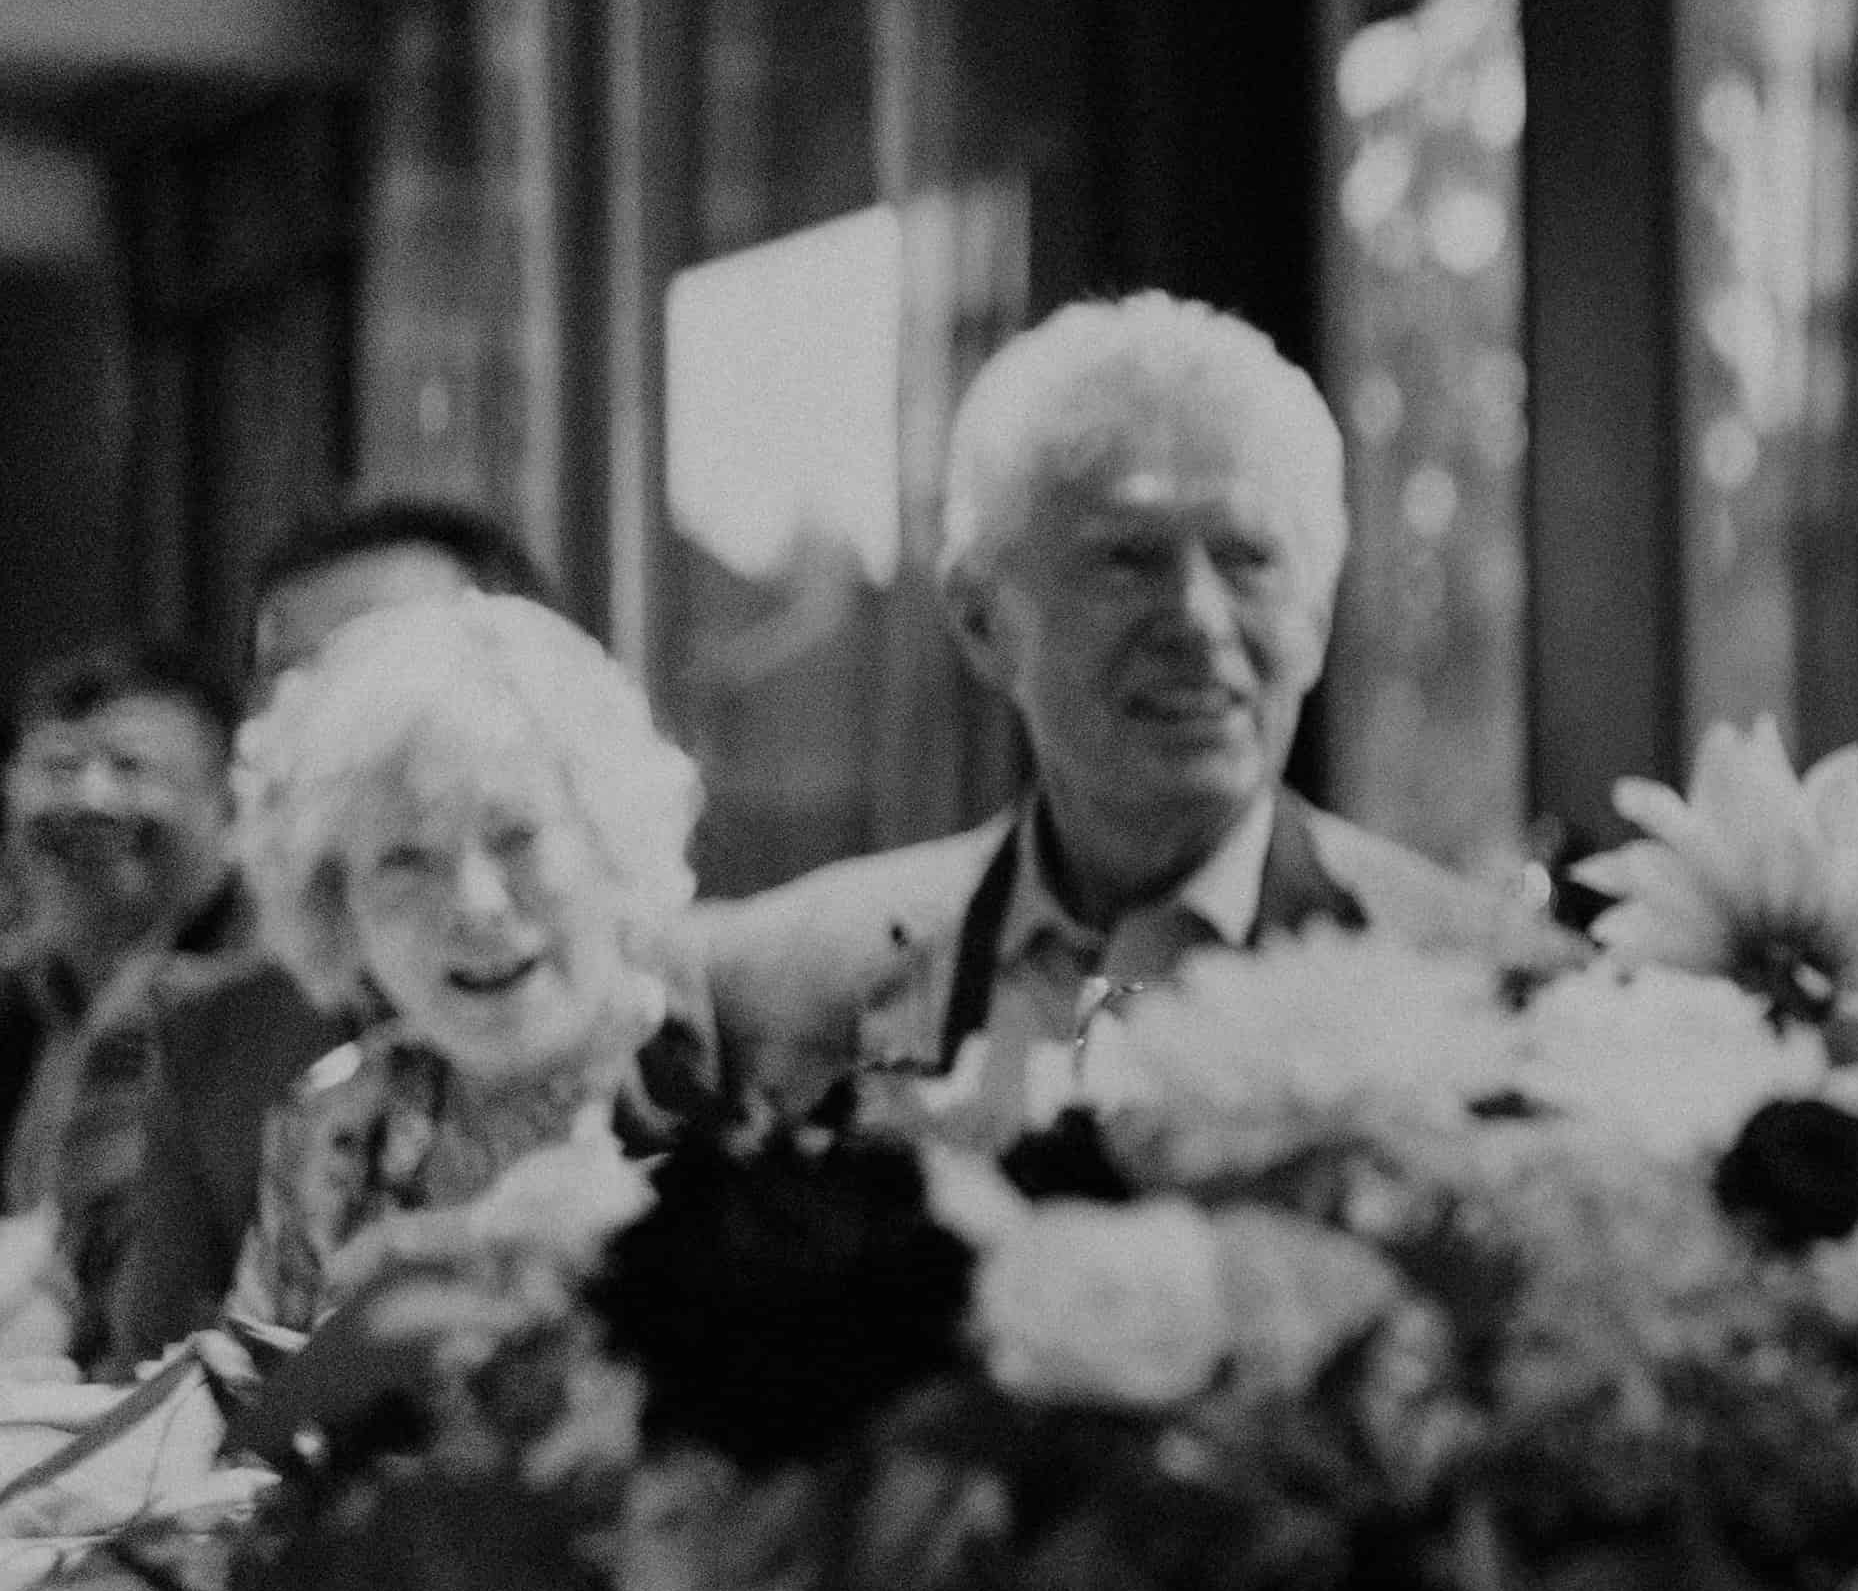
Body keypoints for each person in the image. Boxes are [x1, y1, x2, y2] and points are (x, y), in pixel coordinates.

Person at [707, 293, 1511, 1122]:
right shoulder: (781, 987)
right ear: (984, 621)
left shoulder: (1488, 992)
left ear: (1317, 617)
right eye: (1128, 559)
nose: (1198, 620)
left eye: (1247, 559)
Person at [70, 497, 556, 1367]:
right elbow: (158, 1382)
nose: (328, 720)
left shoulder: (667, 1019)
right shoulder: (214, 1038)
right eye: (291, 680)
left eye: (381, 665)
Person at [217, 591, 714, 1338]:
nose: (476, 905)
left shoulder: (732, 1078)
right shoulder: (335, 1120)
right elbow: (246, 1399)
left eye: (516, 835)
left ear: (610, 840)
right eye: (405, 862)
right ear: (337, 902)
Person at [0, 639, 239, 1228]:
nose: (90, 799)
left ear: (226, 802)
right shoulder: (19, 993)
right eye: (59, 768)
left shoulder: (253, 1000)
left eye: (129, 766)